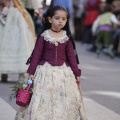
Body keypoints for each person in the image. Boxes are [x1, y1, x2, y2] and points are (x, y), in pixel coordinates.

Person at [14, 5, 87, 120]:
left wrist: (76, 73)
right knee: (44, 96)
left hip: (63, 74)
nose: (60, 21)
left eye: (64, 19)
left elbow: (71, 57)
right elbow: (37, 55)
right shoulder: (44, 36)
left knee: (62, 97)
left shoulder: (66, 37)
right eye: (57, 18)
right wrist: (31, 72)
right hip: (45, 72)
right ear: (50, 19)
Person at [0, 0, 35, 82]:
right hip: (18, 14)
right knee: (20, 42)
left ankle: (7, 73)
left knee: (8, 41)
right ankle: (20, 74)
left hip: (15, 14)